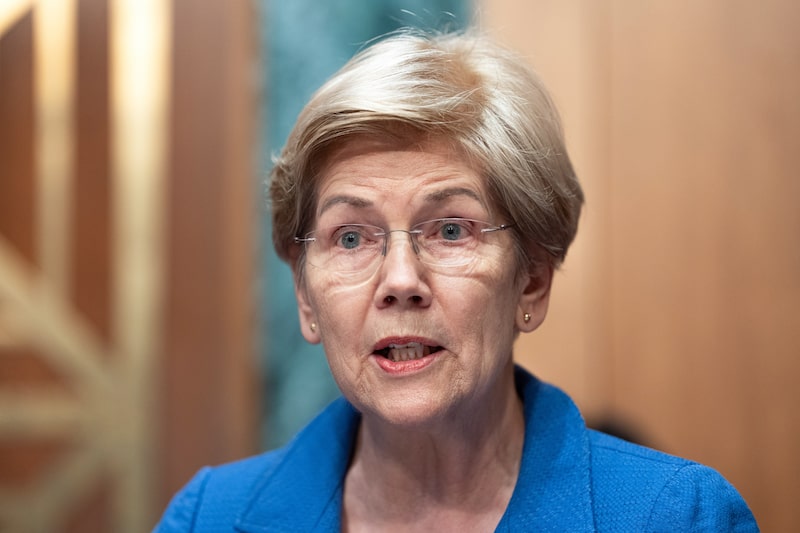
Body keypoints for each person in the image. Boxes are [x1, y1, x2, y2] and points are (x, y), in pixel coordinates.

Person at [154, 29, 758, 532]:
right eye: (350, 237)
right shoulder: (207, 518)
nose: (399, 280)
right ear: (305, 297)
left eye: (450, 231)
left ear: (532, 281)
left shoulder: (677, 517)